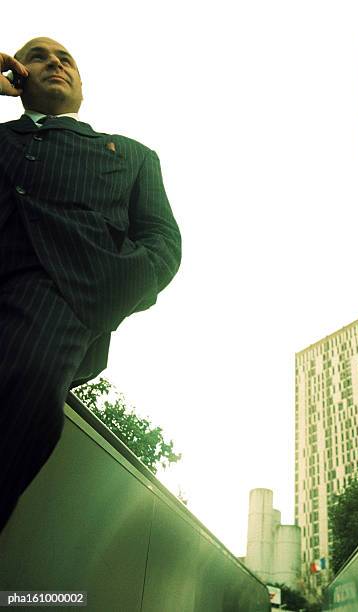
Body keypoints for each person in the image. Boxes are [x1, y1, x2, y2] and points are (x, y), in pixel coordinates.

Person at [0, 38, 181, 532]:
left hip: (55, 297)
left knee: (20, 389)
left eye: (66, 60)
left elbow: (163, 243)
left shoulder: (133, 156)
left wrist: (96, 291)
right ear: (17, 75)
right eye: (37, 56)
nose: (55, 63)